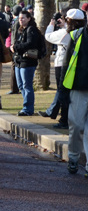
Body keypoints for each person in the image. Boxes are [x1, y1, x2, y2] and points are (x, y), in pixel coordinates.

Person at [39, 8, 86, 129]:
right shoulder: (83, 32)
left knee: (63, 94)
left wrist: (51, 25)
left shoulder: (66, 32)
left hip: (64, 66)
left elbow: (48, 36)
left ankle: (64, 120)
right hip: (81, 69)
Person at [61, 10, 88, 175]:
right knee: (76, 125)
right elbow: (66, 65)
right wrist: (62, 91)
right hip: (78, 87)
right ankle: (73, 157)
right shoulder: (76, 35)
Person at [11, 10, 41, 116]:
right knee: (20, 85)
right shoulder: (21, 29)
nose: (21, 20)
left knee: (27, 85)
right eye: (19, 18)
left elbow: (30, 43)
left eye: (23, 18)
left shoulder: (31, 29)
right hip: (19, 60)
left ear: (29, 18)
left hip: (28, 61)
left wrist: (15, 47)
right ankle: (27, 106)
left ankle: (28, 109)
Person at [6, 5, 23, 94]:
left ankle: (14, 87)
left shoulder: (14, 21)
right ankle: (14, 88)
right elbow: (16, 35)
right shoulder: (17, 22)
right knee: (14, 66)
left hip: (12, 45)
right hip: (15, 46)